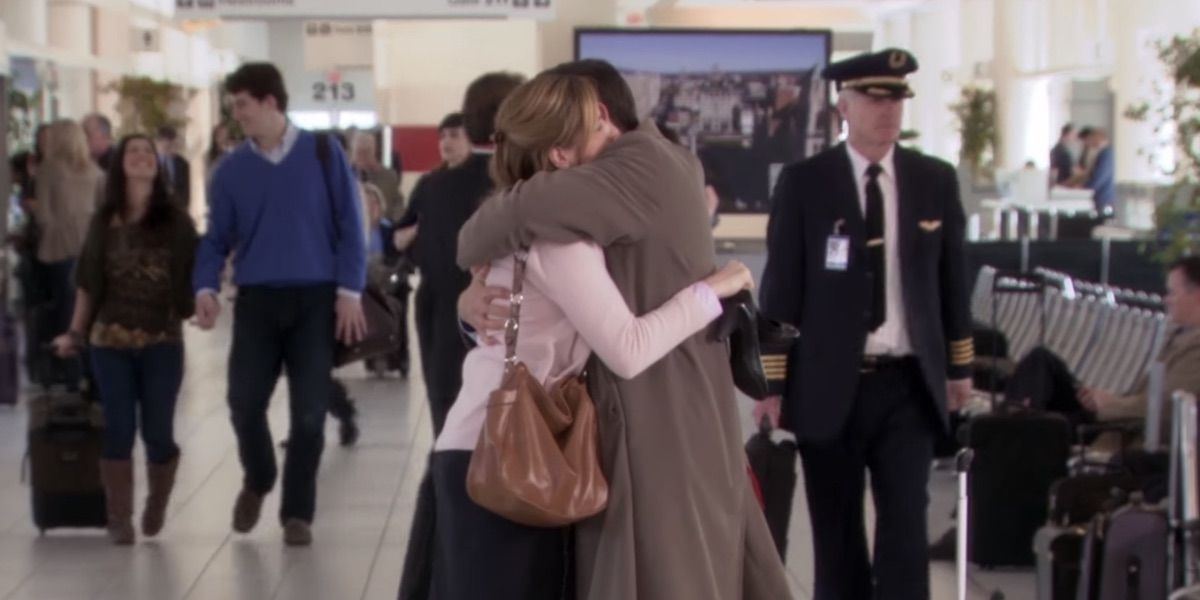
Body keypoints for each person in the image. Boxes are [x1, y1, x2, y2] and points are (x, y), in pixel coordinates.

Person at [455, 58, 790, 600]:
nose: (559, 161)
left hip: (658, 409)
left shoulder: (636, 167)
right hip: (668, 402)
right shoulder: (663, 163)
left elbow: (486, 230)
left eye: (565, 139)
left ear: (600, 114)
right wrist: (469, 301)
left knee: (664, 570)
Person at [758, 48, 974, 600]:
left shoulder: (933, 181)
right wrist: (771, 382)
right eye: (875, 99)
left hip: (908, 383)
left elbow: (952, 282)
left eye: (897, 99)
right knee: (836, 535)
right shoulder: (807, 183)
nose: (888, 111)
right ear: (843, 106)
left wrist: (958, 367)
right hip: (828, 383)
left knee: (905, 528)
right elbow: (782, 287)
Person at [192, 62, 367, 546]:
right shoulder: (230, 172)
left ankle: (297, 514)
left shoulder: (322, 153)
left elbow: (352, 226)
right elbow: (215, 239)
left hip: (315, 299)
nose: (236, 116)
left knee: (310, 413)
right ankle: (260, 476)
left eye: (242, 105)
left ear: (271, 102)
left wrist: (350, 292)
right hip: (257, 302)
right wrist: (205, 287)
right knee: (244, 403)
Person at [395, 73, 524, 600]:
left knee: (450, 452)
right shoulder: (514, 190)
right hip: (494, 343)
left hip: (447, 334)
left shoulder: (437, 185)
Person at [50, 134, 198, 545]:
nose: (141, 157)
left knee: (158, 431)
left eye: (148, 152)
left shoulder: (177, 223)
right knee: (118, 427)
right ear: (120, 165)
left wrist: (203, 303)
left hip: (162, 341)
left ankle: (157, 502)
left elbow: (194, 275)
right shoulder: (104, 220)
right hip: (108, 341)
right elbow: (88, 284)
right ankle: (119, 516)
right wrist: (75, 332)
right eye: (132, 151)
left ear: (157, 165)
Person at [1080, 256, 1200, 447]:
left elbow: (1166, 407)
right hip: (1125, 433)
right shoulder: (1179, 336)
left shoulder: (1195, 347)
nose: (1167, 300)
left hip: (1139, 451)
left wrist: (1110, 404)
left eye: (1172, 293)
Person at [35, 120, 105, 384]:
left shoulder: (49, 169)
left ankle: (71, 374)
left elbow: (43, 214)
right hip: (90, 247)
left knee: (65, 311)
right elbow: (102, 212)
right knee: (90, 310)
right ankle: (91, 371)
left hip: (59, 247)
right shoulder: (94, 171)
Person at [351, 131, 405, 222]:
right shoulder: (346, 177)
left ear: (373, 151)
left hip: (382, 228)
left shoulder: (388, 176)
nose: (362, 157)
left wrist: (394, 225)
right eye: (359, 152)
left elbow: (398, 205)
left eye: (366, 152)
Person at [155, 126, 191, 212]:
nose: (167, 144)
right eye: (164, 140)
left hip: (176, 210)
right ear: (158, 141)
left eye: (171, 141)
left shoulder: (182, 163)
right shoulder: (151, 161)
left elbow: (185, 192)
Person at [1084, 127, 1115, 218]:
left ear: (1099, 138)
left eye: (1092, 138)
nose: (1091, 142)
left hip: (1105, 199)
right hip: (1104, 198)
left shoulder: (1106, 154)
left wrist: (1086, 188)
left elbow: (1099, 178)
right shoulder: (1105, 153)